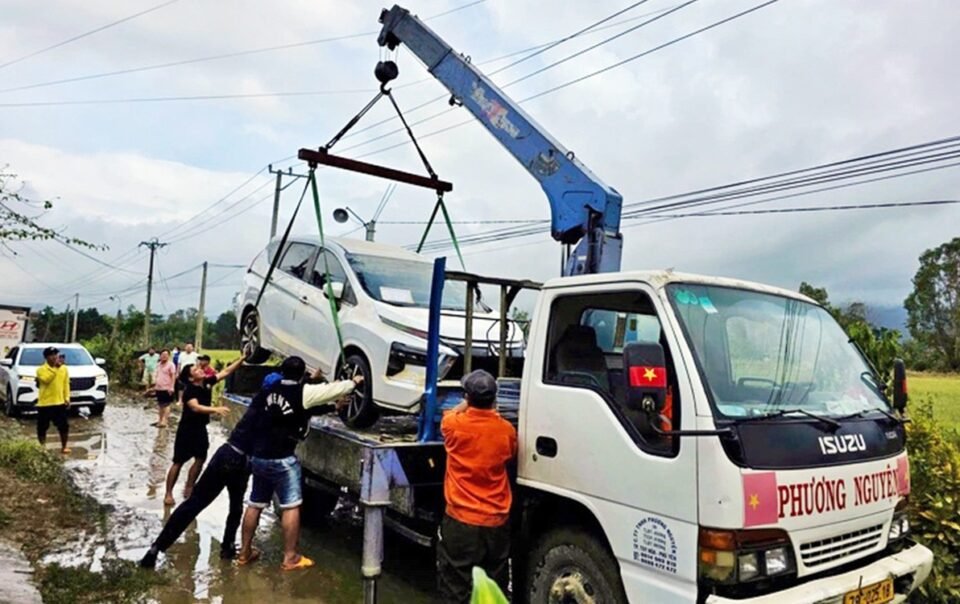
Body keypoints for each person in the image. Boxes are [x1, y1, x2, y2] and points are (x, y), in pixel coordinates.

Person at [237, 356, 361, 571]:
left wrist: (332, 407)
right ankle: (290, 557)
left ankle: (244, 552)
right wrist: (354, 382)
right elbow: (332, 390)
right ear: (302, 373)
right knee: (291, 506)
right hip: (283, 459)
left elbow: (300, 408)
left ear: (282, 371)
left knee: (255, 504)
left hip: (260, 456)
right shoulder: (302, 391)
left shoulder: (269, 389)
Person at [140, 369, 274, 569]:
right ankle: (227, 548)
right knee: (236, 507)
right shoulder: (275, 413)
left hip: (227, 454)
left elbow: (225, 373)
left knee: (194, 503)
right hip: (242, 461)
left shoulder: (257, 403)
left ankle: (156, 548)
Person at [436, 370, 517, 603]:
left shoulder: (453, 425)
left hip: (461, 520)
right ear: (494, 398)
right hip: (496, 521)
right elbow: (510, 454)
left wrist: (466, 403)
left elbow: (451, 414)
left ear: (467, 397)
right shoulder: (507, 431)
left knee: (456, 585)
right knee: (493, 586)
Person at [163, 357, 244, 506]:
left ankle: (189, 487)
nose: (200, 369)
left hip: (200, 428)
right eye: (195, 370)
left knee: (200, 458)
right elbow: (196, 407)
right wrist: (215, 409)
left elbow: (226, 372)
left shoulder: (207, 383)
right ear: (190, 378)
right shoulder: (189, 391)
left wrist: (242, 359)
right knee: (178, 462)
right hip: (187, 430)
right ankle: (168, 493)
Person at [35, 346, 71, 454]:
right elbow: (46, 380)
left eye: (56, 354)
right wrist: (55, 368)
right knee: (42, 427)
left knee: (64, 426)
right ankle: (43, 448)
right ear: (46, 357)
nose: (55, 357)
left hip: (59, 402)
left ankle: (64, 447)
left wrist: (67, 398)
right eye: (52, 355)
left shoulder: (64, 369)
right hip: (45, 403)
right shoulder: (41, 370)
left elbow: (66, 384)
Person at [152, 349, 177, 428]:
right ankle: (160, 420)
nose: (164, 356)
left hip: (167, 388)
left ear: (169, 356)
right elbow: (156, 375)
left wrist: (172, 387)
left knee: (166, 405)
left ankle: (165, 421)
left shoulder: (171, 365)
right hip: (159, 387)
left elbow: (173, 376)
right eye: (162, 355)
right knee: (160, 405)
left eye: (166, 355)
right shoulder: (158, 364)